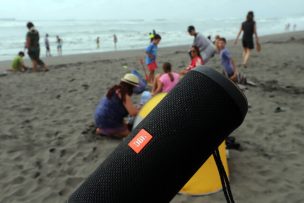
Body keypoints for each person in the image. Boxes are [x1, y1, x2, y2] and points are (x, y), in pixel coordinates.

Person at [94, 73, 140, 138]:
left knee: (125, 125)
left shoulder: (114, 89)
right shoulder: (124, 95)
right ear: (131, 87)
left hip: (98, 118)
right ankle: (104, 131)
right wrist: (141, 110)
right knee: (128, 134)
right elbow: (133, 113)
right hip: (107, 119)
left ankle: (103, 129)